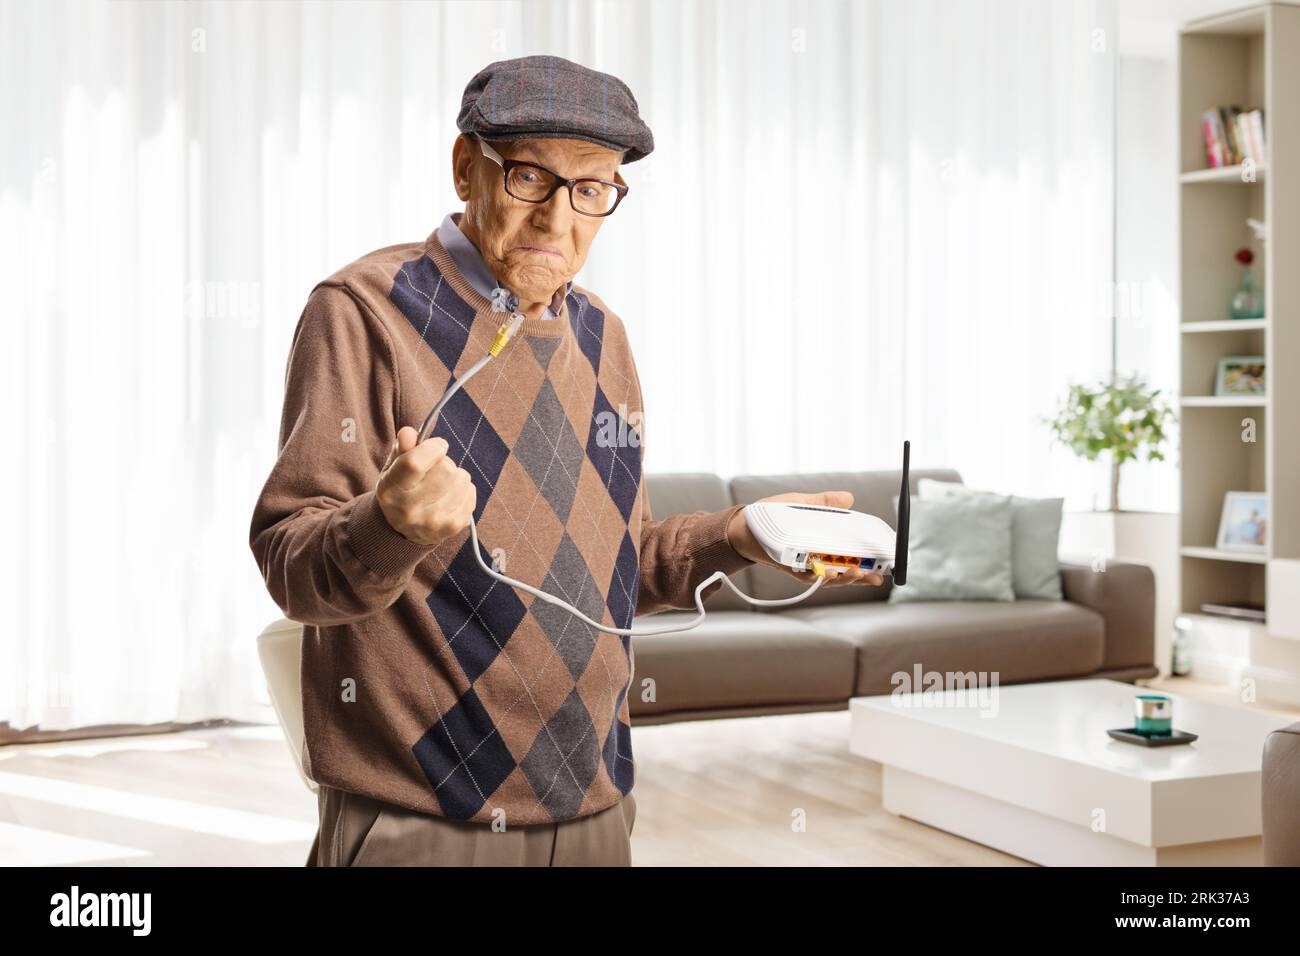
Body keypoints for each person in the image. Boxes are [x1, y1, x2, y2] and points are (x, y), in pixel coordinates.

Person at [250, 54, 880, 867]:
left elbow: (616, 569)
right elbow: (292, 564)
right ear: (464, 168)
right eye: (528, 178)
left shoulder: (602, 335)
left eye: (591, 190)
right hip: (423, 812)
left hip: (592, 800)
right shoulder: (364, 311)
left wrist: (743, 535)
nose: (558, 218)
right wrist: (390, 523)